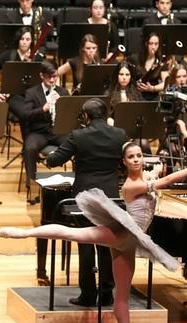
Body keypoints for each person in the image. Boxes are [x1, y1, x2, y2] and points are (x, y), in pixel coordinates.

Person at [0, 142, 187, 323]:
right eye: (131, 157)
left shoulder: (141, 179)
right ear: (124, 162)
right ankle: (24, 233)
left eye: (139, 155)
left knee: (121, 296)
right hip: (122, 233)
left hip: (129, 242)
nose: (136, 159)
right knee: (74, 234)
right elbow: (166, 182)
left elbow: (158, 180)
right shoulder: (132, 185)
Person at [45, 98, 128, 307]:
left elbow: (55, 160)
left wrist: (48, 157)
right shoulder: (119, 135)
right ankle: (107, 293)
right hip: (110, 195)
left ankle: (88, 295)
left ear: (85, 116)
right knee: (107, 244)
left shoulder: (78, 135)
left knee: (87, 244)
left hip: (85, 196)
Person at [19, 61, 68, 203]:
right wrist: (43, 109)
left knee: (78, 143)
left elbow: (69, 114)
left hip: (57, 131)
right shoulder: (31, 92)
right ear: (41, 76)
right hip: (38, 132)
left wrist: (62, 106)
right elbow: (25, 115)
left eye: (55, 77)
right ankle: (32, 188)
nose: (52, 80)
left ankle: (75, 184)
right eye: (49, 77)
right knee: (29, 148)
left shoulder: (63, 92)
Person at [0, 26, 42, 98]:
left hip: (32, 96)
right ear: (18, 40)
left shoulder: (37, 58)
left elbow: (46, 75)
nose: (24, 42)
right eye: (22, 39)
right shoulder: (7, 55)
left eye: (27, 39)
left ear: (31, 41)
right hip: (13, 96)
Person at [128, 32, 169, 101]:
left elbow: (166, 83)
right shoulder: (134, 59)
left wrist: (153, 88)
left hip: (153, 96)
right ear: (146, 44)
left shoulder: (160, 61)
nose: (153, 47)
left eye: (156, 44)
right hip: (136, 94)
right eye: (151, 44)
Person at [107, 61, 142, 125]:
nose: (124, 77)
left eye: (127, 75)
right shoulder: (109, 93)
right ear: (117, 76)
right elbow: (108, 115)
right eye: (121, 74)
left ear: (130, 76)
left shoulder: (136, 93)